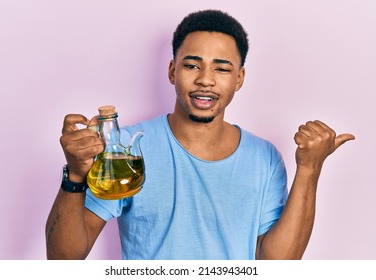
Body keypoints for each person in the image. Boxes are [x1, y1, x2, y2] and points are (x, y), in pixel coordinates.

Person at [45, 9, 354, 260]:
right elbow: (64, 260)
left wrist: (310, 169)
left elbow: (276, 265)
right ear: (172, 71)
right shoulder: (125, 149)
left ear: (239, 78)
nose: (205, 80)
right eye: (192, 65)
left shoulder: (264, 156)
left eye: (221, 69)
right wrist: (74, 175)